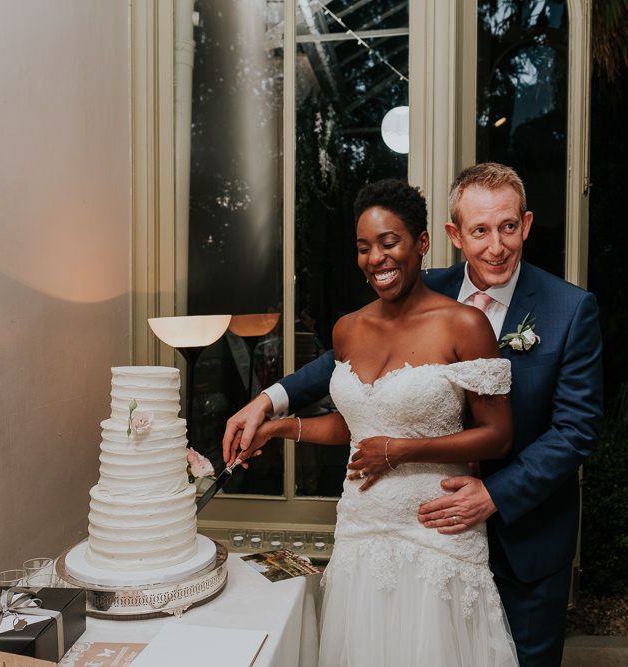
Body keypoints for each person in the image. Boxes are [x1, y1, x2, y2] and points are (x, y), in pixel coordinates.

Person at [224, 163, 603, 666]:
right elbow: (341, 373)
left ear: (526, 224)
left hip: (524, 534)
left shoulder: (569, 309)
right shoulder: (415, 288)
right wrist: (267, 401)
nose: (496, 246)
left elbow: (576, 432)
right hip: (401, 529)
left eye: (508, 227)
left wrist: (494, 494)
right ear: (453, 235)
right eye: (480, 231)